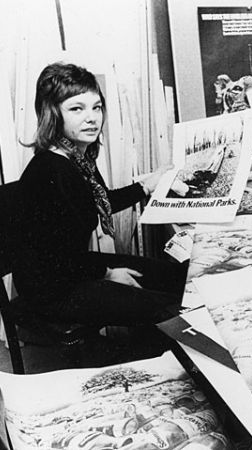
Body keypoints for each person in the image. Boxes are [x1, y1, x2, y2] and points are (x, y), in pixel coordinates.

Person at [12, 62, 188, 327]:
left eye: (96, 107)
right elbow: (55, 258)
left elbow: (99, 201)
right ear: (53, 114)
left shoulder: (77, 157)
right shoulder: (52, 169)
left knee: (179, 277)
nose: (92, 117)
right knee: (174, 310)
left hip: (73, 268)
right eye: (76, 109)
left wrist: (146, 186)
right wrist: (107, 274)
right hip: (53, 290)